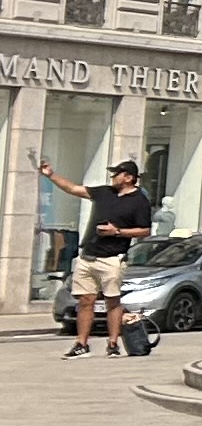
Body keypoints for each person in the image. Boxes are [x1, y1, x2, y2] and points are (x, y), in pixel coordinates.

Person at [41, 154, 154, 360]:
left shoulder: (140, 201)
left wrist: (117, 232)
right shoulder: (105, 192)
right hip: (88, 255)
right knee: (85, 300)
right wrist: (51, 176)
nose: (113, 178)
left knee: (112, 301)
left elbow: (145, 230)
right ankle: (81, 344)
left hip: (112, 257)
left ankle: (112, 344)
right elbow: (74, 189)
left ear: (128, 177)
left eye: (116, 174)